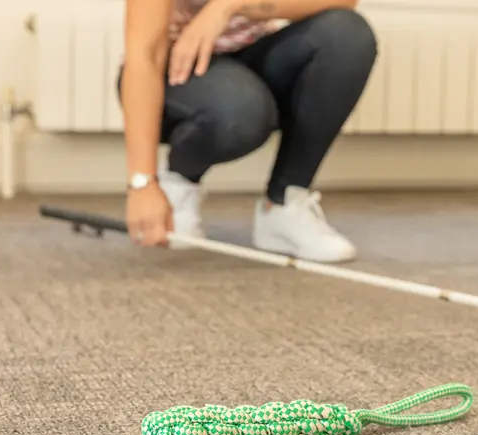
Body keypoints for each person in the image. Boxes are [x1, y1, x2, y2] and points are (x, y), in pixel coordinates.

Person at [119, 0, 377, 263]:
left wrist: (227, 7)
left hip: (251, 55)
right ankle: (177, 181)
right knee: (238, 113)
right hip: (173, 71)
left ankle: (283, 204)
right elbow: (145, 57)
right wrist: (142, 183)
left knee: (346, 35)